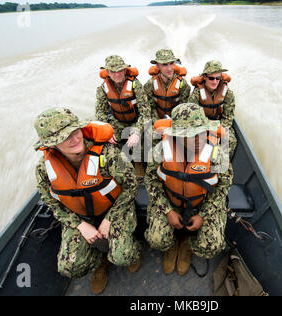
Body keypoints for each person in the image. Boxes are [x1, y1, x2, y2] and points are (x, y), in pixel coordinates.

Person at [34, 107, 141, 295]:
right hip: (79, 216)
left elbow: (131, 186)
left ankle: (132, 251)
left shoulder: (107, 154)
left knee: (123, 256)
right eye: (64, 138)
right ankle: (99, 263)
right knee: (69, 268)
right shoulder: (45, 169)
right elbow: (50, 201)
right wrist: (79, 224)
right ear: (51, 144)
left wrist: (109, 219)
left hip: (114, 209)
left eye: (75, 132)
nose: (75, 140)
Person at [144, 103, 233, 276]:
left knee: (212, 245)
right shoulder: (161, 151)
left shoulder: (217, 154)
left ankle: (187, 245)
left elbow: (224, 187)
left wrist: (203, 215)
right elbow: (150, 180)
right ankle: (171, 245)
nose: (199, 138)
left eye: (201, 131)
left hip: (202, 204)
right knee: (156, 240)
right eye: (191, 135)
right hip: (171, 201)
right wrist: (167, 210)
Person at [95, 55, 150, 150]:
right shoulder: (103, 88)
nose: (117, 74)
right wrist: (107, 131)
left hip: (136, 122)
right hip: (117, 123)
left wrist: (137, 132)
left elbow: (146, 111)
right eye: (113, 71)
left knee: (142, 148)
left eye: (120, 70)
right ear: (107, 72)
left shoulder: (135, 85)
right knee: (107, 146)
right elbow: (100, 112)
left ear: (124, 70)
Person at [189, 60, 237, 158]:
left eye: (218, 78)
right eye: (211, 78)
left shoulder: (227, 93)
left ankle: (221, 166)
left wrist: (219, 130)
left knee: (231, 141)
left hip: (219, 123)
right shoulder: (197, 93)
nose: (215, 81)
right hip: (201, 124)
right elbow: (192, 117)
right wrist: (209, 128)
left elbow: (228, 116)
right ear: (205, 77)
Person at [143, 49, 191, 122]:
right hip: (156, 122)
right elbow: (149, 109)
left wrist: (173, 122)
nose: (169, 68)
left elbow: (184, 109)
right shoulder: (150, 84)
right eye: (164, 64)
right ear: (158, 66)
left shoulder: (183, 84)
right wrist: (158, 123)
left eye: (171, 63)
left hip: (176, 122)